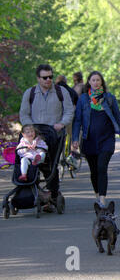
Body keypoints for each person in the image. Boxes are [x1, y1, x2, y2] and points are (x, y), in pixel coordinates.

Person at [19, 64, 74, 202]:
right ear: (38, 78)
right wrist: (30, 129)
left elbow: (69, 111)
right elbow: (24, 114)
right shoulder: (29, 93)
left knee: (51, 166)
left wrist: (62, 123)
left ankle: (53, 195)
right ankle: (33, 192)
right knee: (29, 162)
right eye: (44, 77)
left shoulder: (61, 92)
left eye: (50, 77)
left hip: (54, 135)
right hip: (34, 136)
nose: (48, 80)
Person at [71, 71, 120, 207]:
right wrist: (74, 138)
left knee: (102, 167)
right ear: (89, 82)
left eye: (98, 80)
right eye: (93, 80)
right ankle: (97, 194)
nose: (96, 83)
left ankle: (102, 199)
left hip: (106, 139)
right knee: (94, 170)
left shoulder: (109, 98)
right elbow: (77, 120)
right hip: (89, 139)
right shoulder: (83, 99)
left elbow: (118, 118)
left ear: (102, 82)